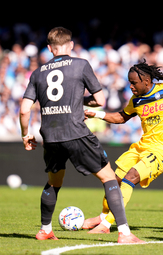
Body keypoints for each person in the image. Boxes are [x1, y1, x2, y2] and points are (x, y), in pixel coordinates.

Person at [19, 27, 143, 244]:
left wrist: (25, 135)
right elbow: (101, 100)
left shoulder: (37, 73)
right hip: (75, 131)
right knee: (109, 178)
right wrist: (78, 102)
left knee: (53, 182)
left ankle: (45, 230)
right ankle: (124, 233)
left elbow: (24, 109)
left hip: (50, 136)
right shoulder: (80, 64)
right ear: (71, 45)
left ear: (49, 48)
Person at [82, 60, 163, 233]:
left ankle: (106, 225)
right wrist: (97, 114)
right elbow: (121, 117)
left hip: (162, 150)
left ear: (146, 81)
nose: (130, 86)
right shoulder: (136, 100)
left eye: (134, 82)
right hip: (141, 147)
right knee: (114, 181)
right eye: (129, 82)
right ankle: (102, 216)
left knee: (131, 177)